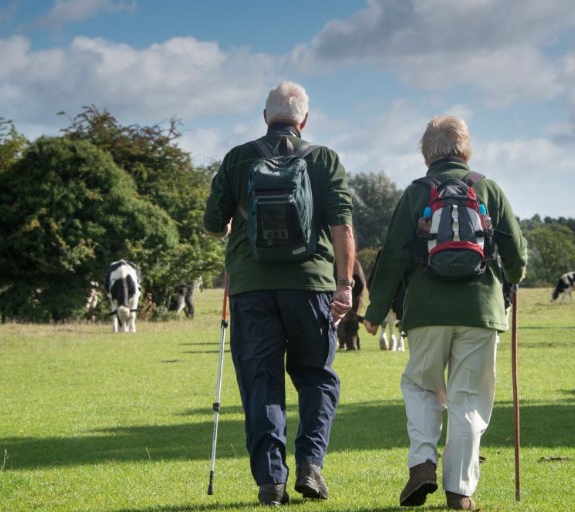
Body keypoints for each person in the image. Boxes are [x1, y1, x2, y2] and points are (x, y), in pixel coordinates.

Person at [203, 81, 356, 506]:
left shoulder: (237, 158)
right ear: (304, 119)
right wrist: (344, 285)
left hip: (252, 289)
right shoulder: (324, 159)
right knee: (316, 376)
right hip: (311, 287)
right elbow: (342, 226)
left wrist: (232, 224)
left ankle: (271, 482)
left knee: (261, 383)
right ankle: (310, 465)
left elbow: (213, 225)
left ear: (265, 117)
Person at [363, 115, 527, 510]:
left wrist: (375, 310)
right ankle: (460, 492)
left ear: (427, 153)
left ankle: (422, 463)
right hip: (480, 310)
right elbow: (517, 255)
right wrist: (513, 280)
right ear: (465, 149)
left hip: (426, 311)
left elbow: (393, 257)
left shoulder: (416, 193)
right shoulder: (488, 188)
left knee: (421, 386)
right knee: (468, 398)